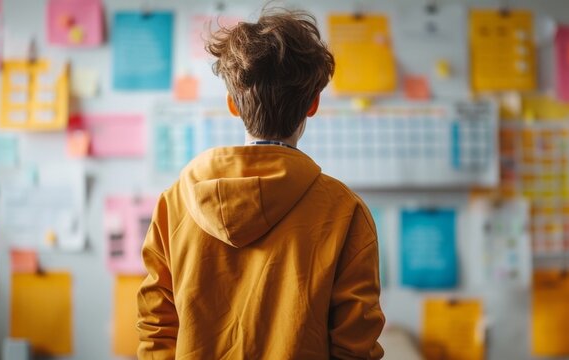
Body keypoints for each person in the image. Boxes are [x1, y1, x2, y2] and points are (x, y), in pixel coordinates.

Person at [137, 7, 385, 360]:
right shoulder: (345, 212)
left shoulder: (174, 202)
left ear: (232, 105)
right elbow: (354, 345)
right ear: (313, 104)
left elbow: (156, 326)